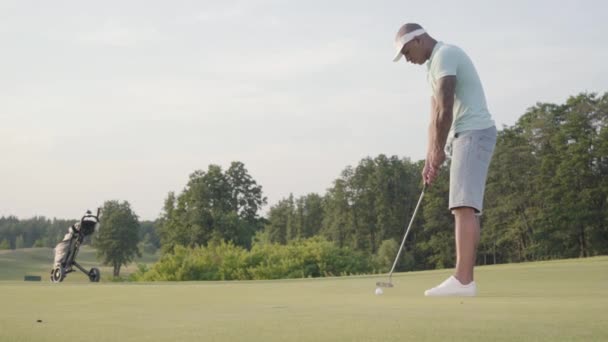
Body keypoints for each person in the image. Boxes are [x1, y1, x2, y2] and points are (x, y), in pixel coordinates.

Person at [393, 23, 497, 296]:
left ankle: (463, 281)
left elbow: (447, 107)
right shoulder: (432, 68)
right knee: (464, 208)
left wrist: (439, 150)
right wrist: (430, 155)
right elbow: (434, 116)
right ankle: (465, 281)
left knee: (463, 207)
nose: (407, 59)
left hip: (473, 132)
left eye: (406, 51)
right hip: (466, 135)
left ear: (419, 40)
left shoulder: (445, 55)